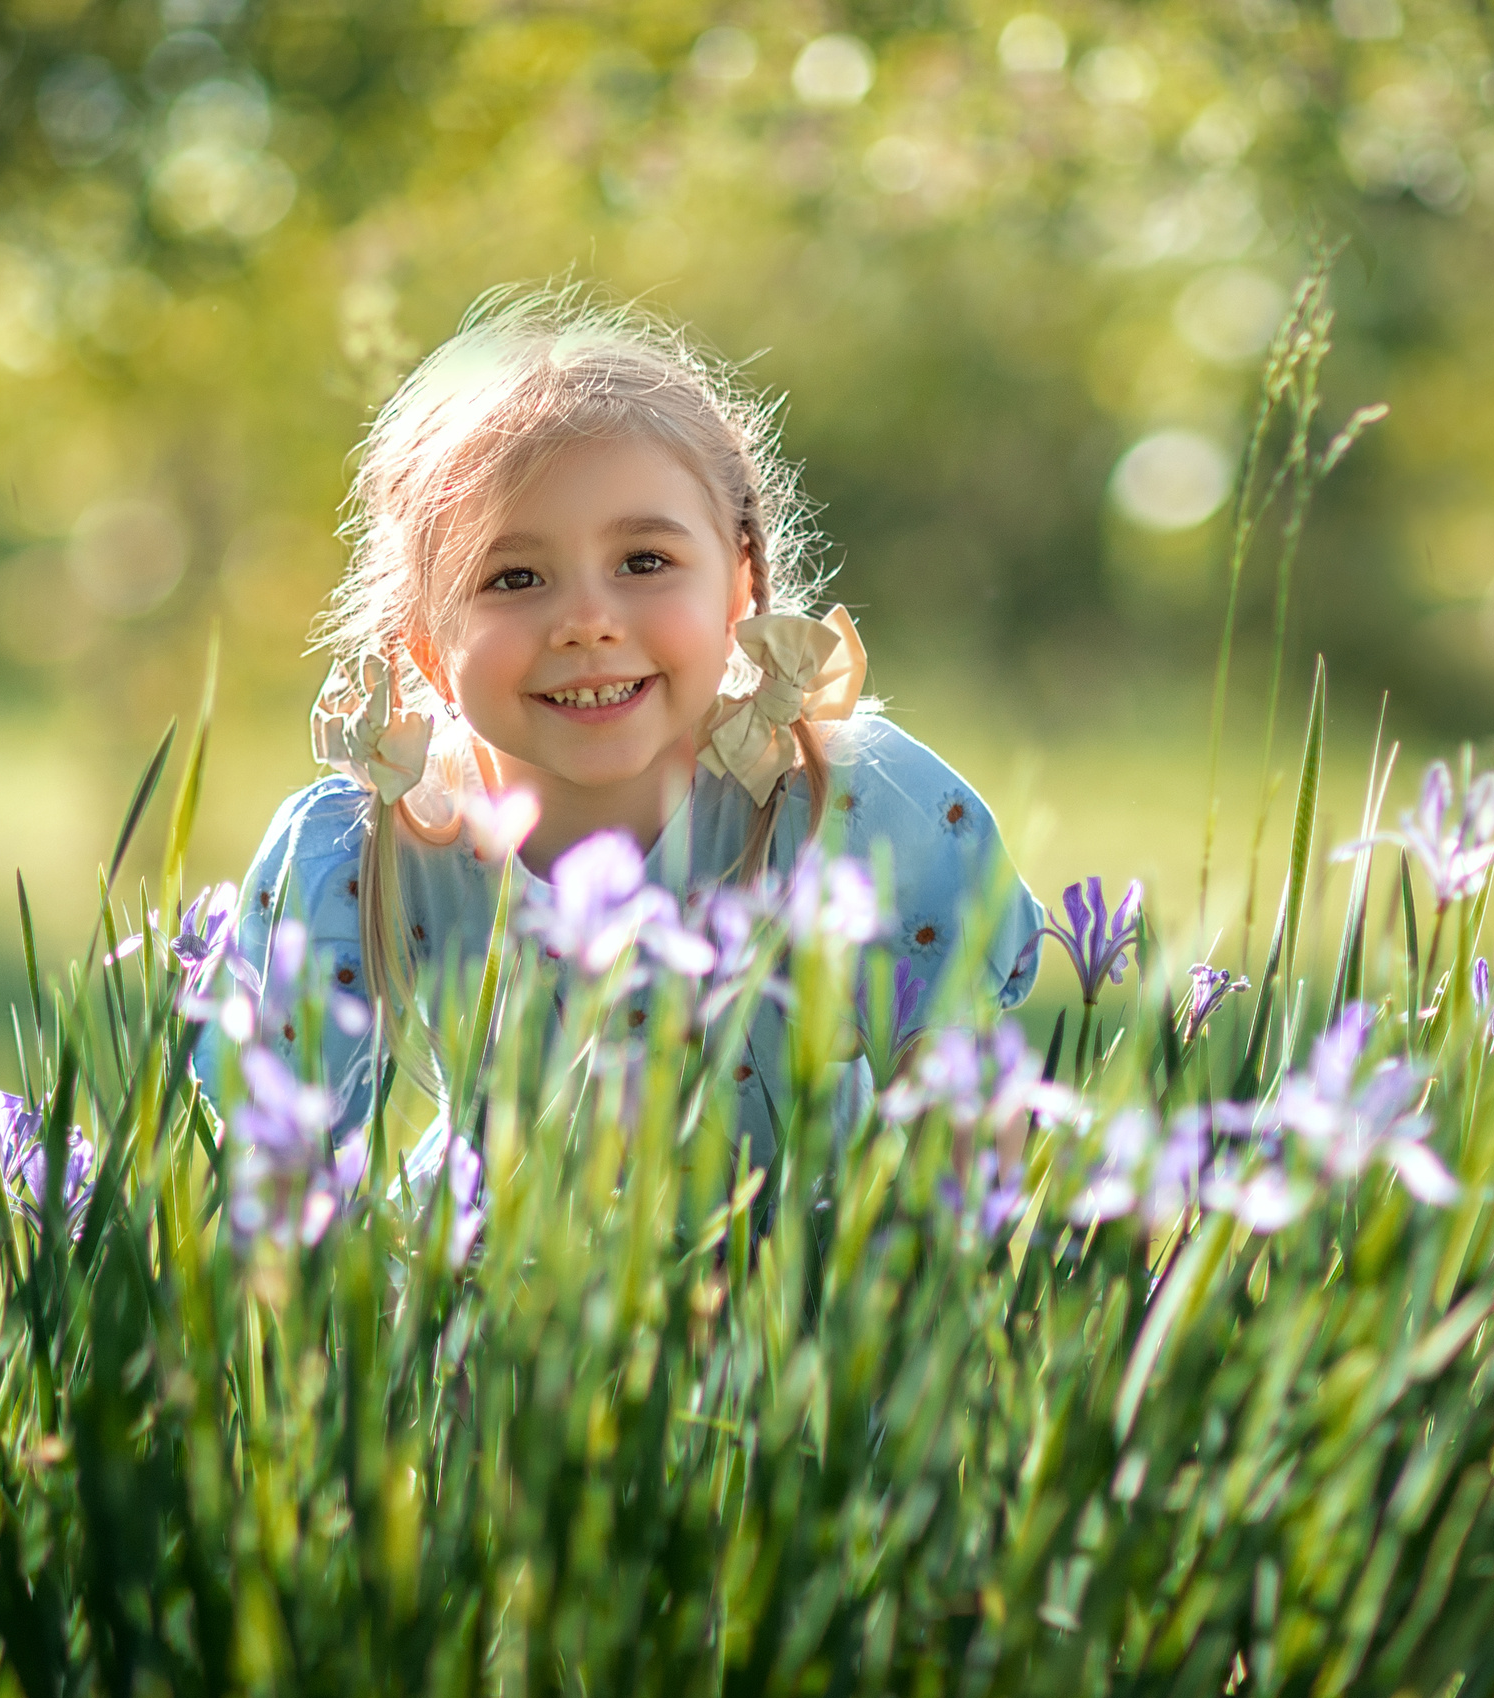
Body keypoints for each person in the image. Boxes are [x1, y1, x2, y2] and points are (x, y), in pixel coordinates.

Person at [225, 290, 1041, 1147]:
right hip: (507, 1270)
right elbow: (284, 1153)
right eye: (513, 578)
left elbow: (965, 1123)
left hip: (795, 1265)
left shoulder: (844, 797)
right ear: (426, 646)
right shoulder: (381, 843)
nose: (588, 620)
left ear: (738, 585)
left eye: (643, 560)